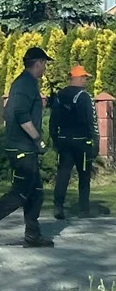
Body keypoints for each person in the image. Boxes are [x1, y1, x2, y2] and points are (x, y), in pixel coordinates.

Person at [0, 47, 55, 248]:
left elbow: (7, 113)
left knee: (36, 192)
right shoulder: (26, 84)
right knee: (22, 192)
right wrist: (37, 139)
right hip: (22, 148)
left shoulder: (23, 83)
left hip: (20, 146)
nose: (45, 68)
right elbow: (19, 114)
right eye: (45, 63)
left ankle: (33, 235)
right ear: (38, 62)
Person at [49, 65, 99, 219]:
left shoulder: (59, 96)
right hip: (81, 142)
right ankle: (83, 210)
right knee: (84, 175)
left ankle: (58, 206)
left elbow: (53, 120)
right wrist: (96, 140)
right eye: (84, 77)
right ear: (77, 78)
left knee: (63, 174)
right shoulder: (84, 97)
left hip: (63, 140)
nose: (85, 80)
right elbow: (92, 121)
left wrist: (55, 138)